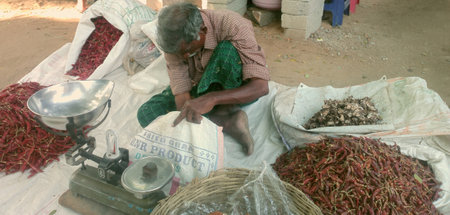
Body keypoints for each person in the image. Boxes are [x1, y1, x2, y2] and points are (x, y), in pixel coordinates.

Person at [137, 2, 270, 155]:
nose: (184, 56)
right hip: (198, 85)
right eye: (179, 53)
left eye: (187, 50)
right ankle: (226, 121)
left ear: (203, 30)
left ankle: (224, 110)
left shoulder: (232, 25)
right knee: (146, 113)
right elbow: (181, 91)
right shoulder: (174, 42)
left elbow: (261, 87)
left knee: (227, 51)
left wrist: (212, 99)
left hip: (233, 87)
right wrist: (186, 114)